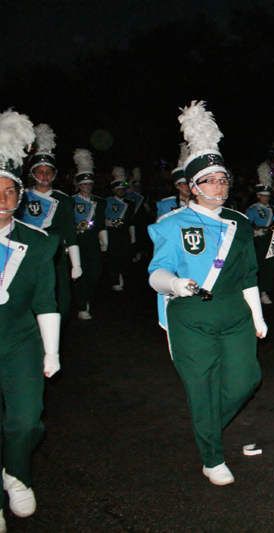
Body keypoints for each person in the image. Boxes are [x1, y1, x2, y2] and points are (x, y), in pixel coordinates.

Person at [147, 101, 266, 485]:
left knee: (245, 380)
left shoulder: (241, 223)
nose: (220, 185)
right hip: (191, 316)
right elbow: (156, 272)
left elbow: (249, 275)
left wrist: (258, 316)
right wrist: (172, 284)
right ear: (193, 186)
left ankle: (207, 429)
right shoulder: (173, 222)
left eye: (223, 179)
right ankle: (212, 456)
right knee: (202, 387)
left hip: (235, 314)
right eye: (211, 180)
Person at [0, 109, 61, 528]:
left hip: (19, 340)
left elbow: (45, 299)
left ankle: (16, 474)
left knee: (25, 420)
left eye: (8, 192)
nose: (0, 199)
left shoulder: (35, 242)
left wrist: (52, 350)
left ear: (19, 197)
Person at [16, 124, 81, 316]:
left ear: (54, 175)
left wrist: (76, 264)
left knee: (62, 301)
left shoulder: (63, 199)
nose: (44, 176)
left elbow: (70, 232)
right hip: (27, 255)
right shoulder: (22, 197)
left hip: (56, 256)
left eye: (48, 172)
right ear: (33, 174)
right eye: (40, 171)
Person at [72, 149, 107, 320]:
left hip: (92, 240)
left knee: (94, 273)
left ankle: (86, 298)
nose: (87, 187)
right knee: (81, 273)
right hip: (77, 240)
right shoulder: (71, 201)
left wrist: (103, 238)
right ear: (78, 185)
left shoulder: (98, 202)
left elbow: (100, 221)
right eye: (84, 184)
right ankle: (81, 305)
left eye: (89, 184)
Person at [245, 162, 274, 305]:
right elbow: (246, 226)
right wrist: (254, 232)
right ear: (258, 195)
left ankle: (265, 290)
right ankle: (257, 291)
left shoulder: (272, 209)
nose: (266, 198)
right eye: (263, 196)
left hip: (269, 238)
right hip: (258, 240)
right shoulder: (252, 209)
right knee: (258, 265)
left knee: (268, 265)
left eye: (267, 196)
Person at [105, 167, 135, 291]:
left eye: (123, 189)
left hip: (124, 233)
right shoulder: (107, 201)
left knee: (125, 258)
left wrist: (133, 236)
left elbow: (131, 221)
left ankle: (123, 276)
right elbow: (103, 217)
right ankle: (115, 280)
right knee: (113, 258)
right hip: (112, 233)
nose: (121, 191)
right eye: (118, 189)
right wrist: (108, 223)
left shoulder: (129, 203)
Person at [156, 143, 191, 219]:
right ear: (177, 186)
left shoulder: (200, 203)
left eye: (190, 183)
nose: (188, 186)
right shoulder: (166, 204)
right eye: (185, 183)